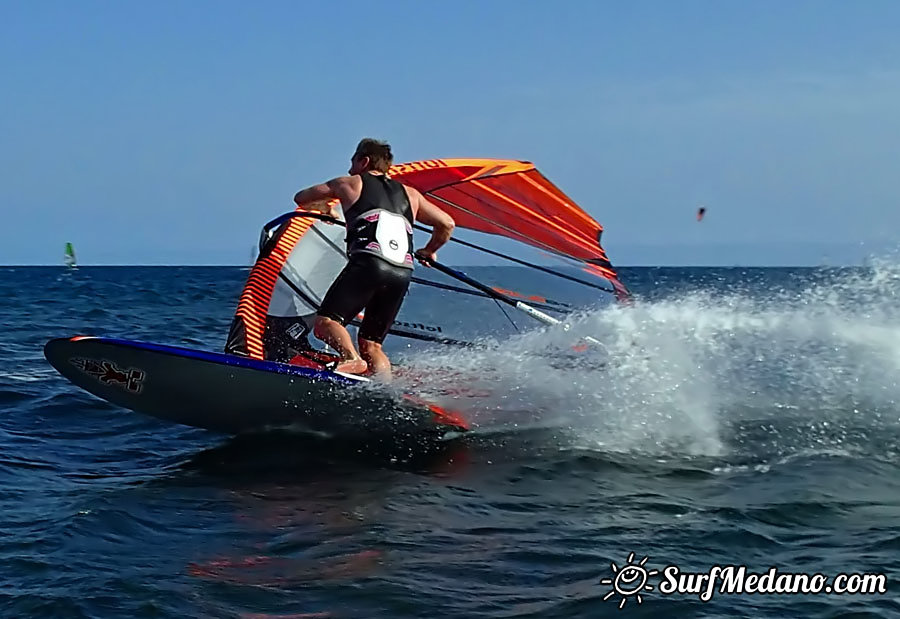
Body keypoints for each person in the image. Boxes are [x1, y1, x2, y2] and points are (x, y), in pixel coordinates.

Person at [292, 138, 455, 379]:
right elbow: (447, 223)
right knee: (372, 344)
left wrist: (326, 206)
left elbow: (301, 197)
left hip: (369, 264)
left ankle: (351, 359)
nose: (349, 168)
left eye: (352, 162)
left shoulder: (347, 183)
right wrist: (430, 250)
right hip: (402, 272)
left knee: (326, 323)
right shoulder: (411, 195)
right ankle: (383, 389)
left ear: (364, 161)